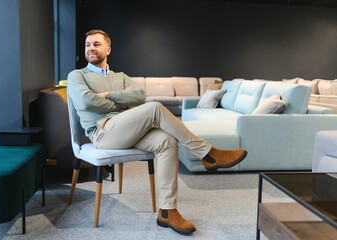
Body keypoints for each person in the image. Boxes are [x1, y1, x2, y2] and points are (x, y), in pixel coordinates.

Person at [67, 29, 247, 235]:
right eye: (88, 44)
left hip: (128, 129)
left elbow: (140, 96)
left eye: (96, 44)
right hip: (103, 132)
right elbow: (86, 101)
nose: (91, 48)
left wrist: (107, 95)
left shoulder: (121, 77)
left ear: (108, 49)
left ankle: (167, 211)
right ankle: (207, 153)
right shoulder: (77, 75)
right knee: (155, 108)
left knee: (167, 140)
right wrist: (121, 100)